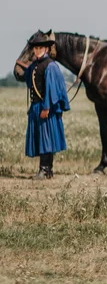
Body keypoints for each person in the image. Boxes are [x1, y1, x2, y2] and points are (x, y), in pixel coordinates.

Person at [23, 30, 70, 179]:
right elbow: (26, 77)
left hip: (45, 107)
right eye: (35, 48)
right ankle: (48, 171)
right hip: (37, 107)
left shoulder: (50, 66)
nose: (37, 50)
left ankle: (44, 170)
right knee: (43, 139)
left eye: (40, 48)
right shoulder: (36, 65)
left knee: (46, 140)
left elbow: (52, 89)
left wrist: (47, 107)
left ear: (47, 49)